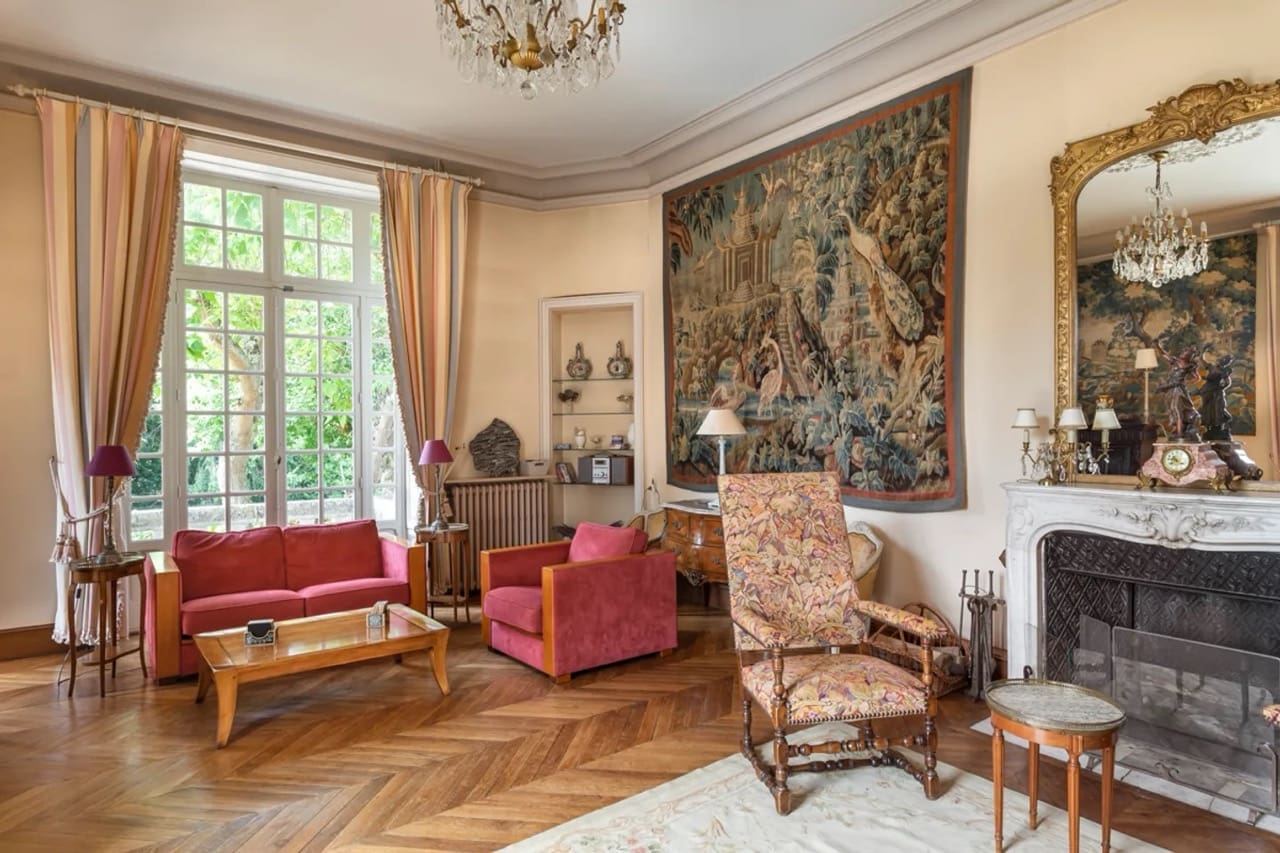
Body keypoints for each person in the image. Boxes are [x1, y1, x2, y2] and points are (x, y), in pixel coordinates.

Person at [1156, 344, 1204, 441]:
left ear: (1190, 356)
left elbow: (1197, 378)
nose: (1184, 354)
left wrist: (1186, 382)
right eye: (1184, 352)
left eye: (1187, 353)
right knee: (1172, 409)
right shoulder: (1175, 362)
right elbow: (1163, 354)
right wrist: (1157, 346)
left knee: (1178, 409)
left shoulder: (1190, 366)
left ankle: (1179, 433)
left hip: (1179, 390)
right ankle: (1177, 431)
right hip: (1171, 389)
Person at [1199, 352, 1235, 441]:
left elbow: (1227, 383)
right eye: (1223, 359)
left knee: (1218, 409)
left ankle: (1218, 427)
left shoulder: (1223, 371)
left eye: (1226, 361)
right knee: (1207, 409)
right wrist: (1202, 353)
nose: (1222, 361)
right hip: (1207, 391)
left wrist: (1220, 387)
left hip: (1216, 393)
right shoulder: (1212, 367)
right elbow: (1203, 362)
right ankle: (1209, 427)